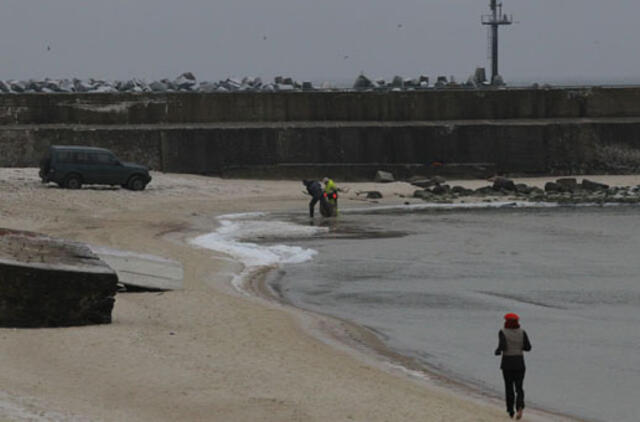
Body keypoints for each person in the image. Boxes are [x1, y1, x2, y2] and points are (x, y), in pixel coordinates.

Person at [494, 313, 531, 420]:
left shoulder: (502, 332)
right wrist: (519, 346)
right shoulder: (522, 332)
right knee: (519, 387)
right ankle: (520, 406)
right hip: (519, 362)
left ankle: (510, 411)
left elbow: (503, 346)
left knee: (509, 387)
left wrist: (497, 351)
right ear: (517, 322)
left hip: (507, 363)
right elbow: (528, 347)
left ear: (506, 321)